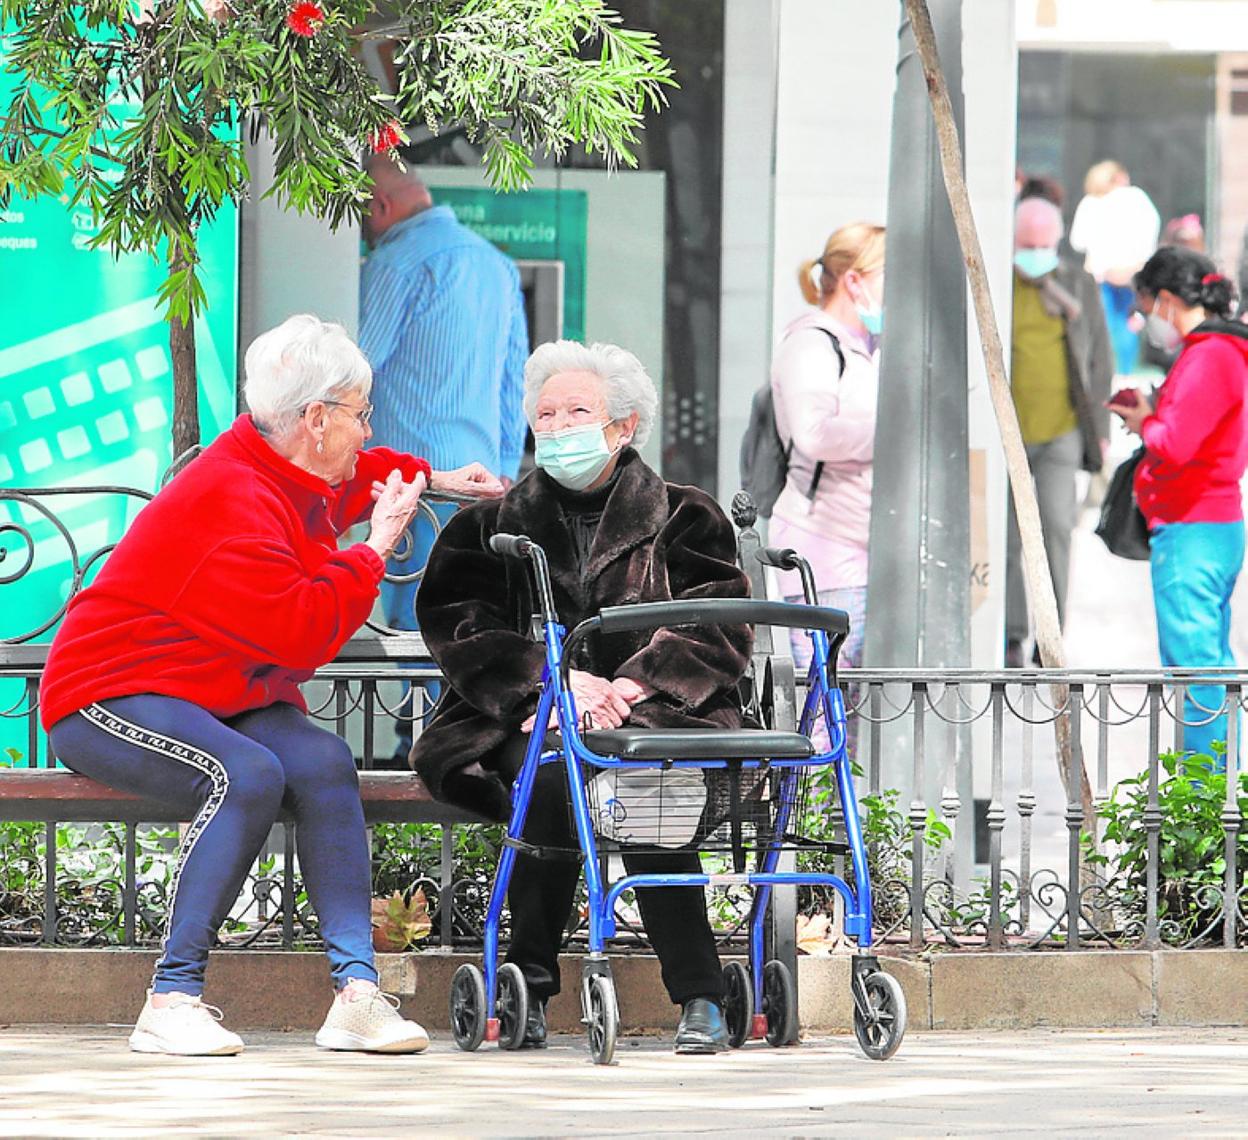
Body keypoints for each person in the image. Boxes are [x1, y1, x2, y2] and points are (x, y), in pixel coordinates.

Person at [39, 315, 503, 1056]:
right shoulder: (232, 499)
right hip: (107, 695)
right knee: (244, 773)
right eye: (358, 412)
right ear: (316, 419)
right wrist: (377, 548)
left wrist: (434, 479)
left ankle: (357, 994)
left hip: (213, 687)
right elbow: (301, 629)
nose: (366, 427)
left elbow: (356, 475)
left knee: (322, 763)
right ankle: (171, 998)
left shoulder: (282, 459)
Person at [411, 341, 752, 1055]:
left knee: (645, 791)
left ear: (623, 426)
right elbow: (461, 627)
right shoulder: (488, 526)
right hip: (521, 714)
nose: (559, 426)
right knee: (552, 773)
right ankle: (529, 989)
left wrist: (631, 684)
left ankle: (700, 997)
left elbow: (719, 622)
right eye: (546, 414)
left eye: (578, 411)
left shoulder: (688, 517)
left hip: (654, 715)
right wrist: (550, 684)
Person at [358, 151, 529, 762]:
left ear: (379, 208)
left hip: (417, 487)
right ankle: (462, 761)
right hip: (482, 487)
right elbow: (515, 385)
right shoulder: (498, 267)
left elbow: (357, 369)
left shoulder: (398, 259)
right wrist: (505, 472)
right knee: (463, 628)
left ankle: (419, 768)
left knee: (413, 631)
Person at [1109, 248, 1248, 766]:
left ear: (1167, 301)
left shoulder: (1211, 353)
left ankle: (1207, 808)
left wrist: (1144, 420)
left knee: (1195, 673)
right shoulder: (1217, 348)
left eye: (1147, 309)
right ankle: (1219, 797)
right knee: (1207, 667)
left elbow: (1176, 441)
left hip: (1193, 526)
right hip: (1206, 524)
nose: (1147, 322)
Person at [768, 222, 884, 749]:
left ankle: (841, 819)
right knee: (824, 707)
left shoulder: (867, 345)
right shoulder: (812, 344)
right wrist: (896, 433)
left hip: (861, 548)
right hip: (824, 547)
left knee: (849, 706)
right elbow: (812, 433)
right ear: (855, 281)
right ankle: (814, 818)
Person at [1005, 197, 1114, 667]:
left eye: (1043, 244)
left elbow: (1101, 360)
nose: (1035, 253)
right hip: (1009, 432)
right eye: (1027, 244)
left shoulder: (1076, 284)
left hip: (1063, 429)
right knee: (1008, 537)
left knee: (1056, 530)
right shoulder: (997, 279)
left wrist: (1102, 429)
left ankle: (1050, 636)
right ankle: (1011, 634)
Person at [1069, 160, 1160, 377]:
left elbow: (1077, 241)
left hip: (1101, 274)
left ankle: (1105, 373)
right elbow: (1151, 230)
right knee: (1130, 324)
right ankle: (1125, 373)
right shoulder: (1137, 198)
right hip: (1131, 274)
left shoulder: (1090, 204)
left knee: (1104, 325)